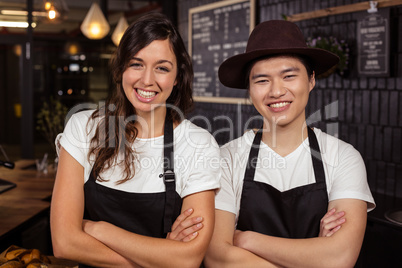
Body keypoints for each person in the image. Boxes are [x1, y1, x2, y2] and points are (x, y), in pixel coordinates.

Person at [50, 12, 220, 268]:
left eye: (162, 68)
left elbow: (188, 259)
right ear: (120, 70)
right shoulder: (83, 127)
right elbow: (64, 243)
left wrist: (98, 230)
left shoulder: (199, 144)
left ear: (176, 78)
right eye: (136, 64)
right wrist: (162, 257)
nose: (147, 80)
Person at [204, 20, 375, 268]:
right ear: (250, 90)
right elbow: (217, 258)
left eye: (289, 76)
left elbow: (340, 257)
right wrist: (314, 254)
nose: (276, 91)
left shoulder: (344, 157)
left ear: (311, 80)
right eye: (262, 80)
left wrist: (246, 239)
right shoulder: (226, 158)